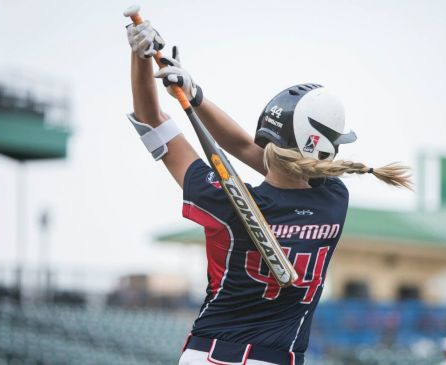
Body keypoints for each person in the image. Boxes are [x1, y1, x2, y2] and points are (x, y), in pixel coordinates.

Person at [126, 21, 411, 365]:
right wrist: (195, 94)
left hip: (205, 355)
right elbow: (256, 152)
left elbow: (153, 121)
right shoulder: (334, 199)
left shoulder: (220, 197)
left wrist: (141, 56)